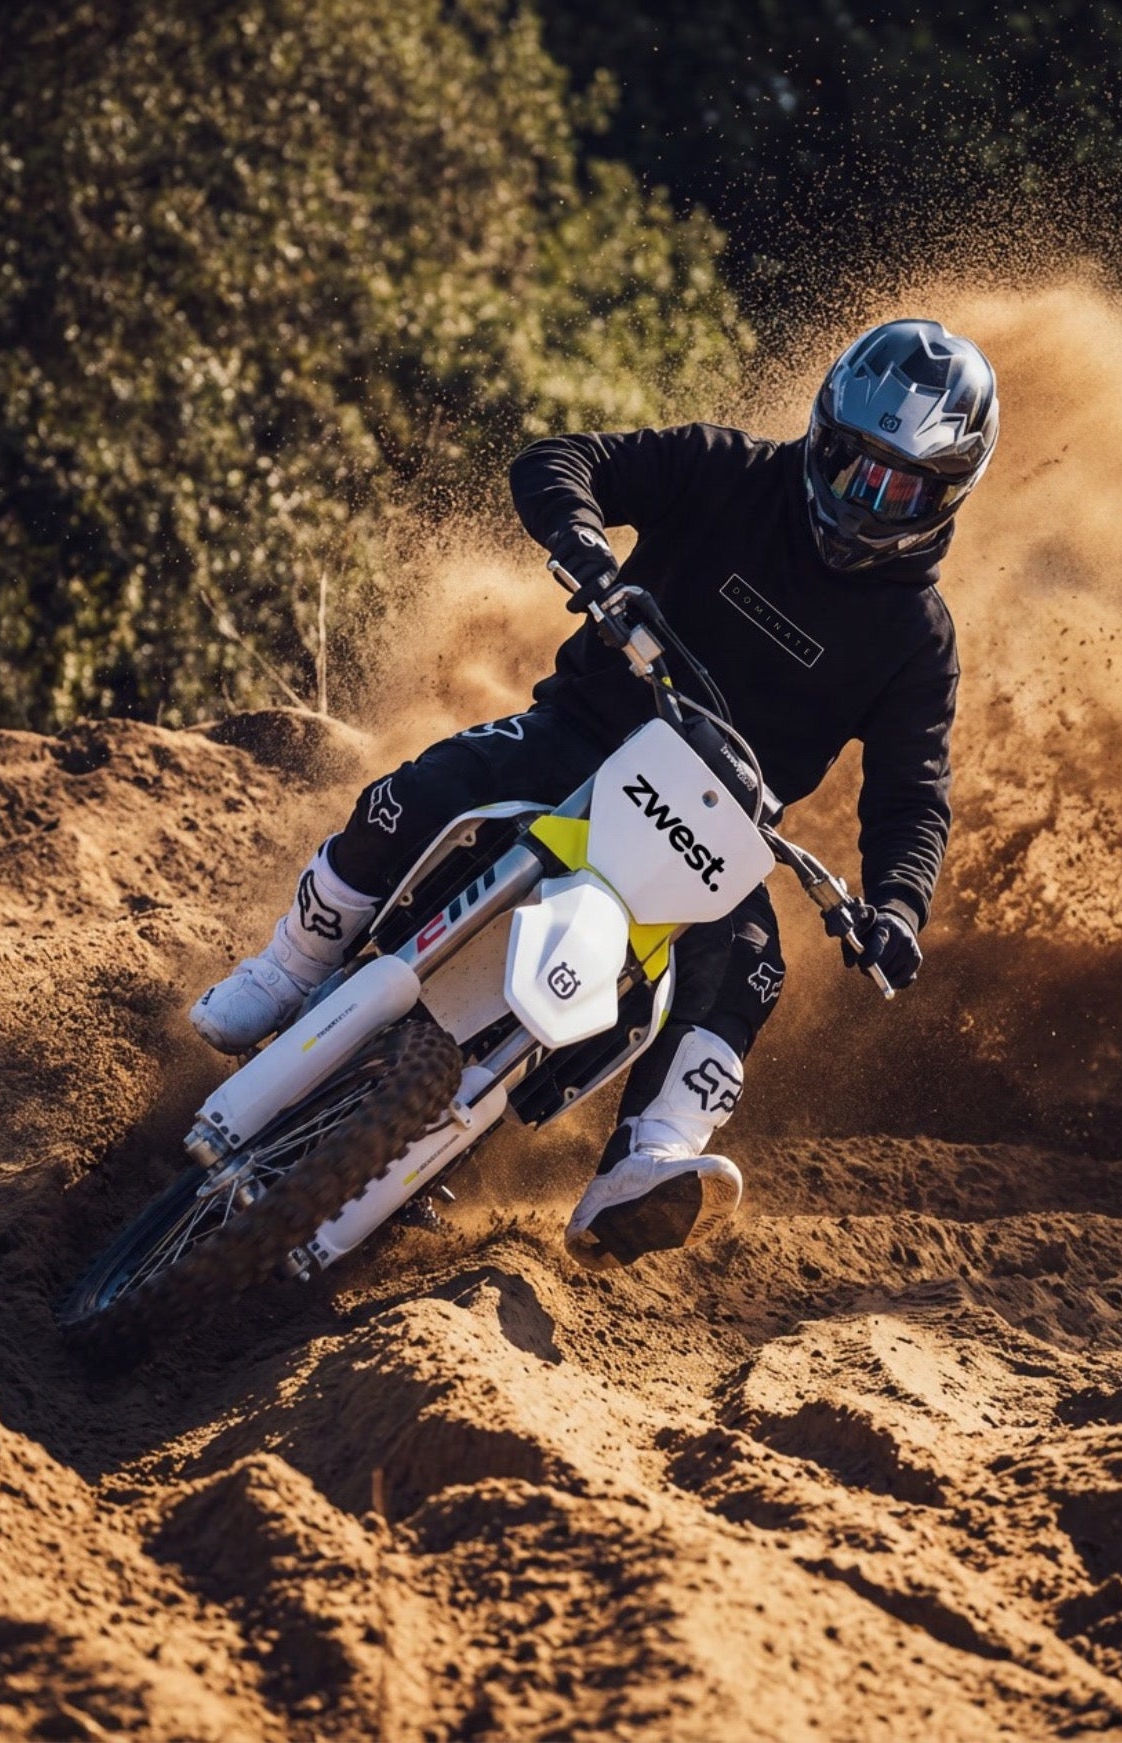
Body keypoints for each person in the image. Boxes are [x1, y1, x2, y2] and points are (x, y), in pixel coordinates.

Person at [190, 319, 998, 1269]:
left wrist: (897, 906)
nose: (866, 497)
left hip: (718, 832)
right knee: (431, 786)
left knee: (752, 969)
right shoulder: (726, 468)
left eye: (900, 487)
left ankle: (647, 1160)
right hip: (586, 730)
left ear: (947, 495)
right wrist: (582, 543)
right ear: (820, 434)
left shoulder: (918, 638)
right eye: (853, 464)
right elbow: (559, 460)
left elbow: (913, 794)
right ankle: (289, 966)